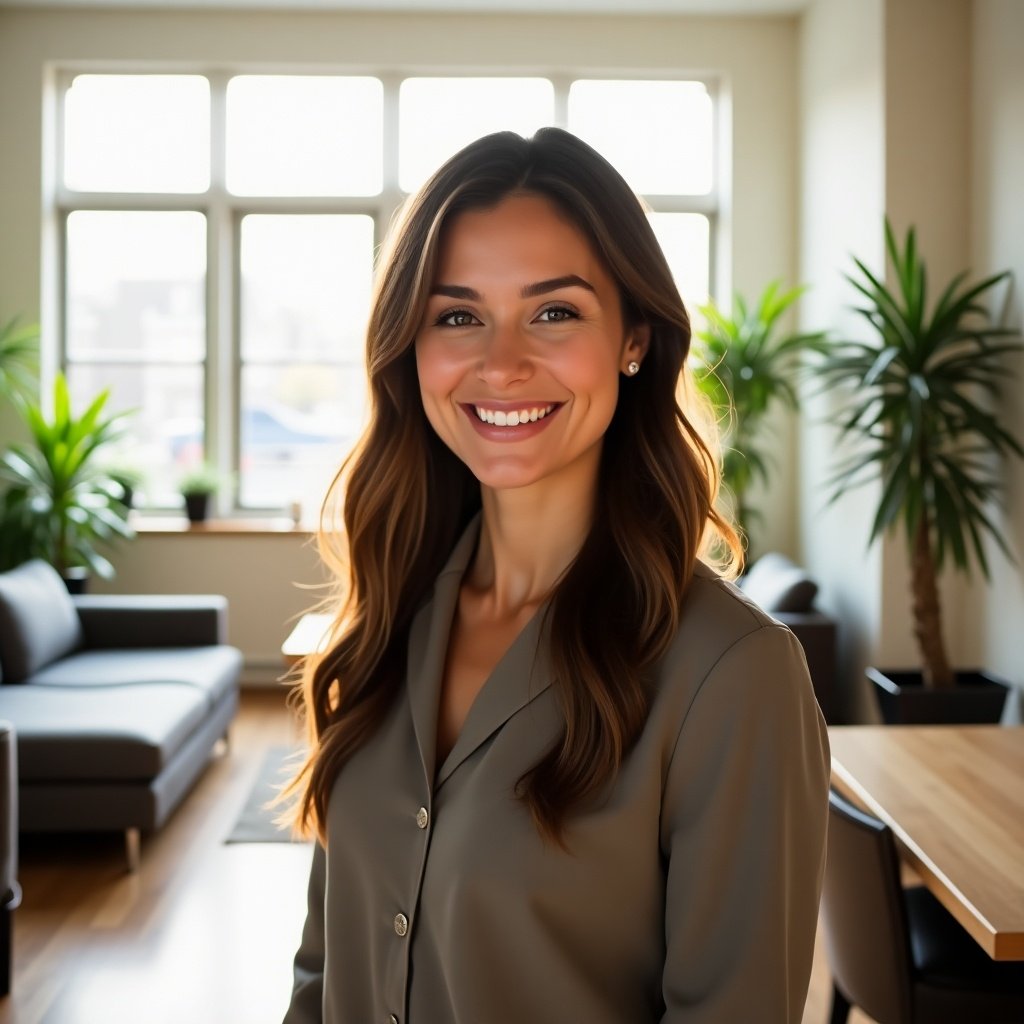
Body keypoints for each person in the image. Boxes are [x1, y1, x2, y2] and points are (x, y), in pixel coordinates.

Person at [282, 128, 830, 1024]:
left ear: (634, 341)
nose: (501, 363)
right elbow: (322, 972)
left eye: (554, 312)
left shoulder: (733, 678)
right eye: (457, 315)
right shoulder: (389, 619)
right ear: (411, 349)